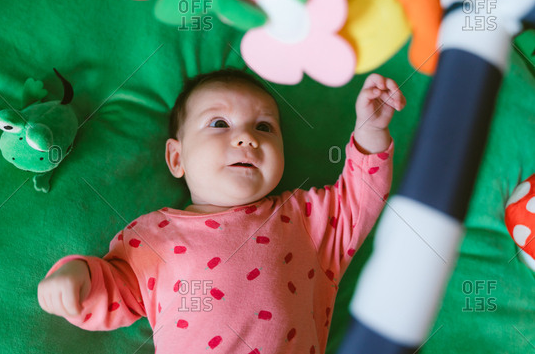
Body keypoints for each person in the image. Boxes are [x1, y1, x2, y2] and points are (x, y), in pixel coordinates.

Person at [37, 68, 406, 353]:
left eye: (264, 126)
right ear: (176, 157)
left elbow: (361, 195)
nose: (247, 138)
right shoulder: (152, 236)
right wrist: (75, 276)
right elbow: (115, 290)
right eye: (219, 124)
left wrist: (370, 129)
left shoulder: (303, 218)